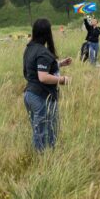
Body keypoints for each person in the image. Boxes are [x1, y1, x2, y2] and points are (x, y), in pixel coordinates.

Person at [23, 18, 72, 152]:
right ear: (47, 33)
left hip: (29, 95)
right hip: (41, 97)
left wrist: (60, 63)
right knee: (45, 132)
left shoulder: (30, 48)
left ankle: (42, 158)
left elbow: (34, 69)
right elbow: (43, 77)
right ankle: (44, 161)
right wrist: (62, 79)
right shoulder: (42, 52)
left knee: (38, 130)